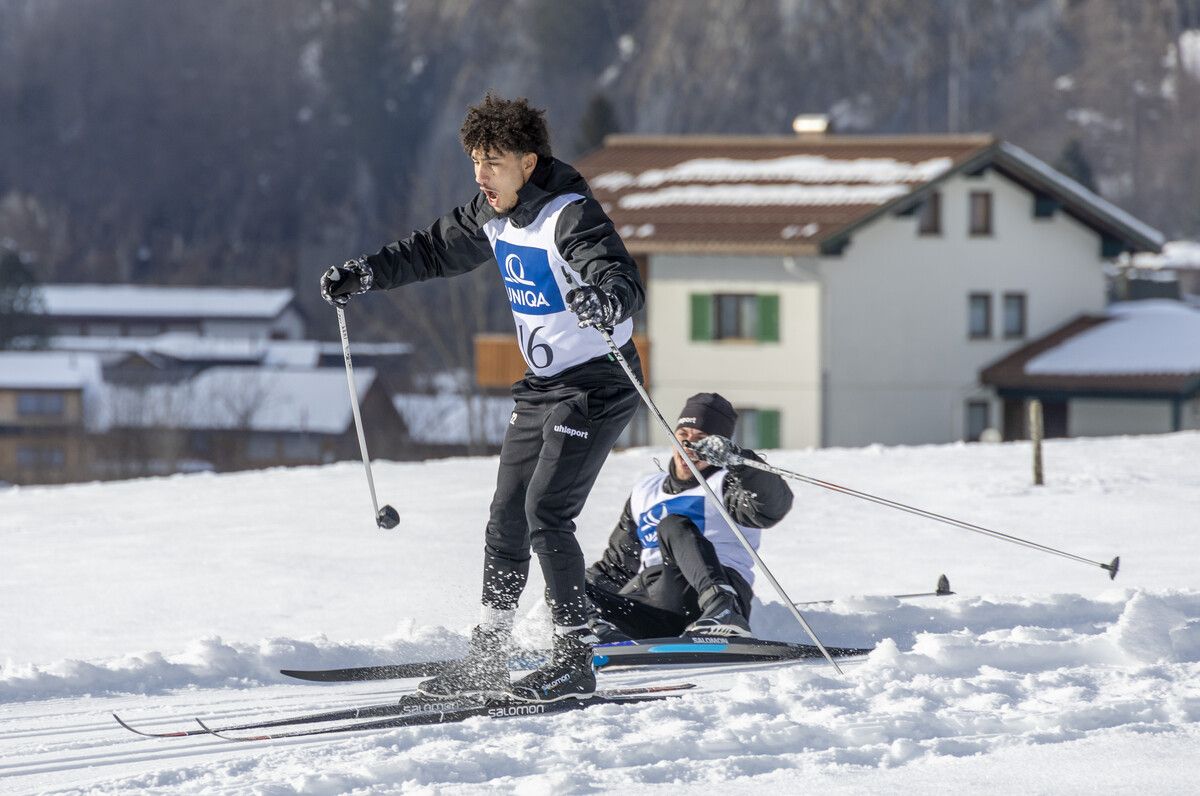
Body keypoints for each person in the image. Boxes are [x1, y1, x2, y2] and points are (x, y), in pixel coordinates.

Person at [320, 93, 644, 702]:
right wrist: (365, 273)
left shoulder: (568, 214)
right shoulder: (492, 213)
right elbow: (433, 250)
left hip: (598, 383)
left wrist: (607, 299)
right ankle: (488, 656)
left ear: (527, 161)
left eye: (492, 163)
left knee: (547, 512)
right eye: (474, 162)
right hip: (545, 386)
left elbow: (615, 273)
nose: (480, 176)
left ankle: (575, 659)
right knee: (505, 518)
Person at [585, 393, 794, 640]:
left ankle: (723, 611)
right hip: (652, 602)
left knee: (672, 525)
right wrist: (572, 590)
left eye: (702, 440)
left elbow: (771, 507)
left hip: (703, 596)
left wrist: (742, 461)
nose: (689, 447)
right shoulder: (646, 491)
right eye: (683, 436)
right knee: (566, 583)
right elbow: (616, 568)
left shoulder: (728, 484)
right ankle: (592, 634)